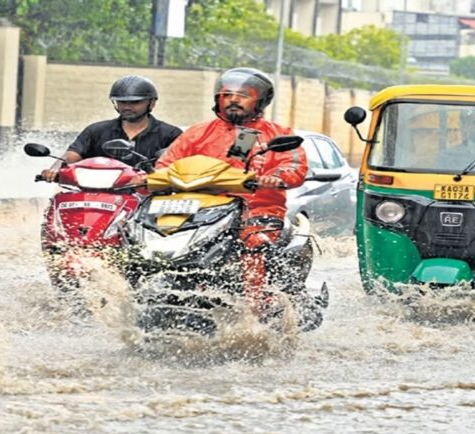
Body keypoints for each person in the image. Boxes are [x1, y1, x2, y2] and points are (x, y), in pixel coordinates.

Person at [155, 67, 308, 310]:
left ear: (260, 100)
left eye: (242, 95)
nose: (234, 100)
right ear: (218, 99)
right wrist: (150, 179)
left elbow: (293, 165)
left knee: (254, 243)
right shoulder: (197, 132)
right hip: (199, 209)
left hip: (256, 209)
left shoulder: (277, 134)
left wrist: (274, 177)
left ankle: (256, 307)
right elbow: (166, 165)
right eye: (227, 95)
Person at [40, 75, 182, 181]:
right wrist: (56, 168)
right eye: (121, 102)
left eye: (135, 102)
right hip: (97, 193)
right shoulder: (96, 130)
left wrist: (153, 177)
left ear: (151, 103)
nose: (127, 107)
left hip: (147, 199)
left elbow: (182, 166)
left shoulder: (170, 134)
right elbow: (72, 155)